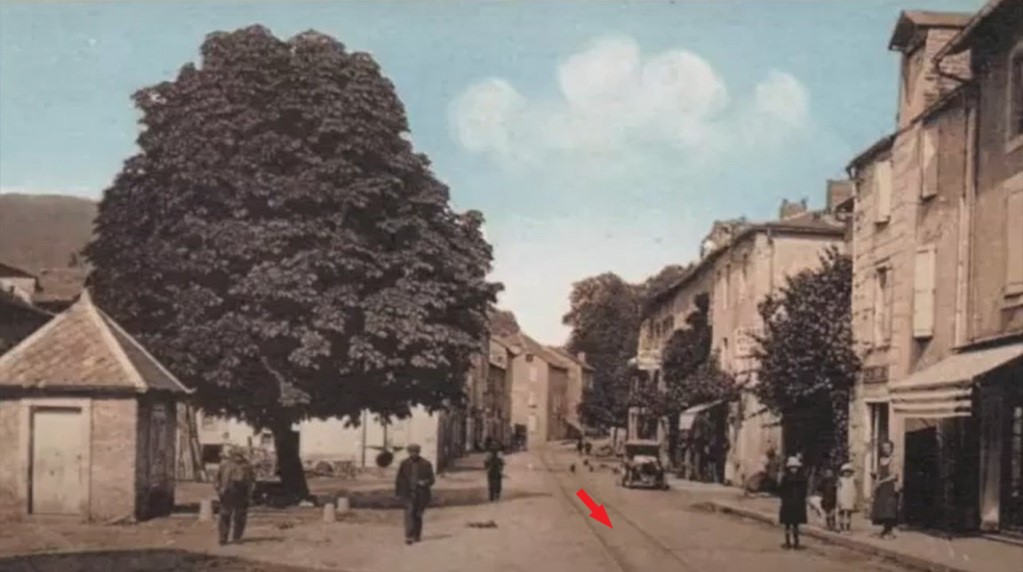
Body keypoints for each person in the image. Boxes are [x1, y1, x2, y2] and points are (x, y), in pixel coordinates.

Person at [215, 446, 256, 546]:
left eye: (240, 455)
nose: (238, 458)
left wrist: (250, 493)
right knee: (225, 515)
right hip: (228, 492)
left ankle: (237, 537)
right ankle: (223, 538)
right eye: (236, 455)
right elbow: (217, 478)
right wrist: (219, 489)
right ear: (232, 455)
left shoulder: (247, 466)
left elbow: (252, 480)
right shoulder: (225, 465)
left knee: (240, 516)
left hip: (242, 492)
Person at [395, 443, 435, 545]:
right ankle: (409, 536)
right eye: (411, 452)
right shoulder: (404, 464)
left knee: (418, 514)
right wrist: (398, 493)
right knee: (409, 513)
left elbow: (432, 480)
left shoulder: (426, 464)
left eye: (416, 452)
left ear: (419, 452)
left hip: (421, 494)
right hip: (408, 493)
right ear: (408, 453)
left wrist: (425, 482)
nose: (413, 454)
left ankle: (417, 535)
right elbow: (399, 479)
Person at [871, 440, 900, 539]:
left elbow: (894, 475)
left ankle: (889, 530)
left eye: (888, 448)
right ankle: (885, 529)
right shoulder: (881, 460)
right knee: (882, 508)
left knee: (889, 508)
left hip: (890, 486)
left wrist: (882, 481)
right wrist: (876, 482)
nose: (885, 450)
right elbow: (879, 473)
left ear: (891, 449)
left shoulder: (894, 460)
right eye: (884, 448)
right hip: (881, 487)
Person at [778, 456, 808, 550]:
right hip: (788, 503)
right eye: (792, 467)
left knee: (796, 525)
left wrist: (802, 499)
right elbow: (781, 490)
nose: (793, 469)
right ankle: (787, 542)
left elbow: (804, 491)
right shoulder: (785, 478)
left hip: (797, 504)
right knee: (787, 525)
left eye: (795, 467)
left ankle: (796, 542)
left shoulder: (801, 478)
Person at [837, 462, 856, 532]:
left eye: (848, 472)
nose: (847, 473)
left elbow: (854, 490)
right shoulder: (841, 480)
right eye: (845, 472)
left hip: (849, 497)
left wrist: (854, 499)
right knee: (841, 513)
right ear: (843, 472)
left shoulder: (852, 480)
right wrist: (838, 500)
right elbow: (838, 490)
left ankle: (848, 527)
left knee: (848, 513)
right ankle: (841, 527)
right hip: (842, 497)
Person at [818, 467, 838, 531]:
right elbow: (819, 488)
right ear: (826, 474)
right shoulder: (823, 481)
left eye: (830, 473)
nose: (829, 474)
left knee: (833, 513)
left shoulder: (834, 480)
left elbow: (838, 489)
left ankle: (833, 525)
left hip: (833, 499)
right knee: (827, 512)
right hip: (826, 499)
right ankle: (828, 525)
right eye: (828, 473)